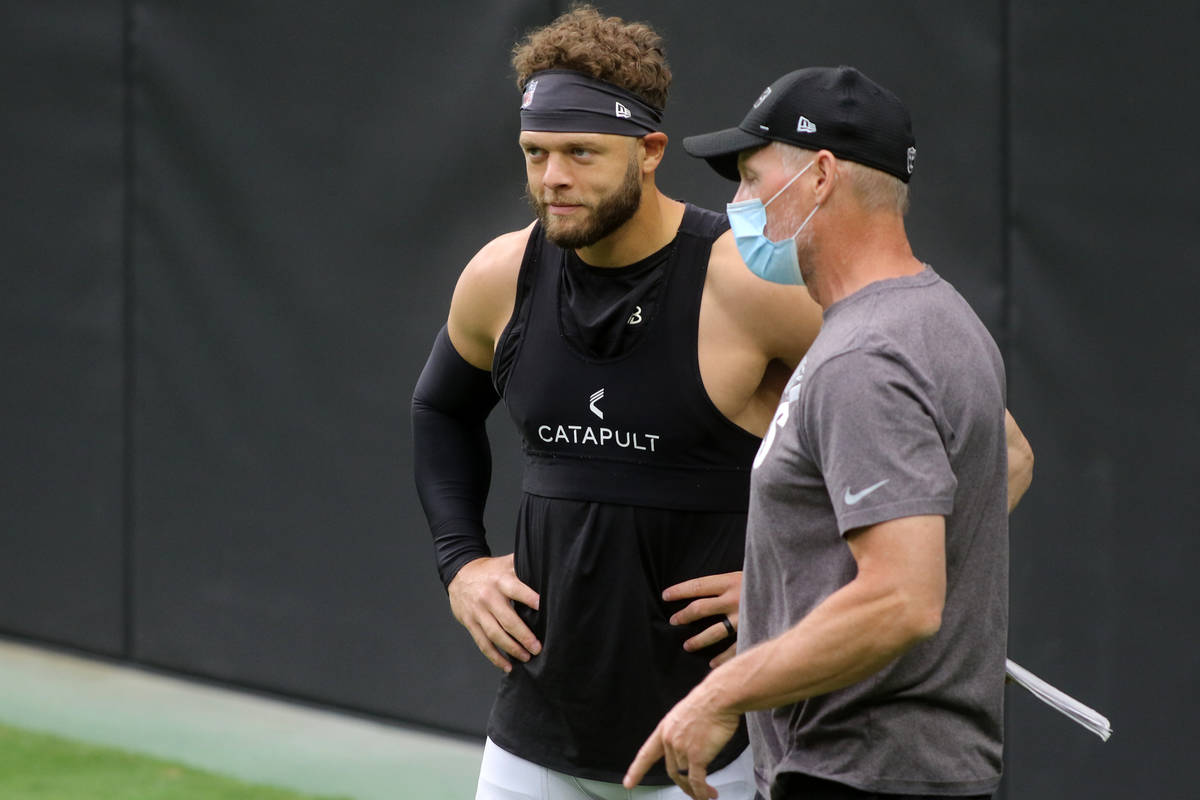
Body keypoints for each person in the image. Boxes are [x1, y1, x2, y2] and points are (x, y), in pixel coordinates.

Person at [411, 7, 823, 798]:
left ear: (650, 151)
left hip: (711, 740)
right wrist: (460, 563)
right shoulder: (502, 275)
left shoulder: (748, 284)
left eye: (581, 153)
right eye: (535, 153)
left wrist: (797, 582)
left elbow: (949, 452)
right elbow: (438, 412)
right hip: (534, 735)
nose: (551, 178)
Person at [624, 67, 1015, 800]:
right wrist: (790, 587)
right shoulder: (942, 317)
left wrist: (720, 694)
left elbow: (903, 597)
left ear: (821, 176)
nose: (736, 203)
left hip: (860, 773)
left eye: (749, 175)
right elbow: (1004, 466)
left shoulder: (863, 357)